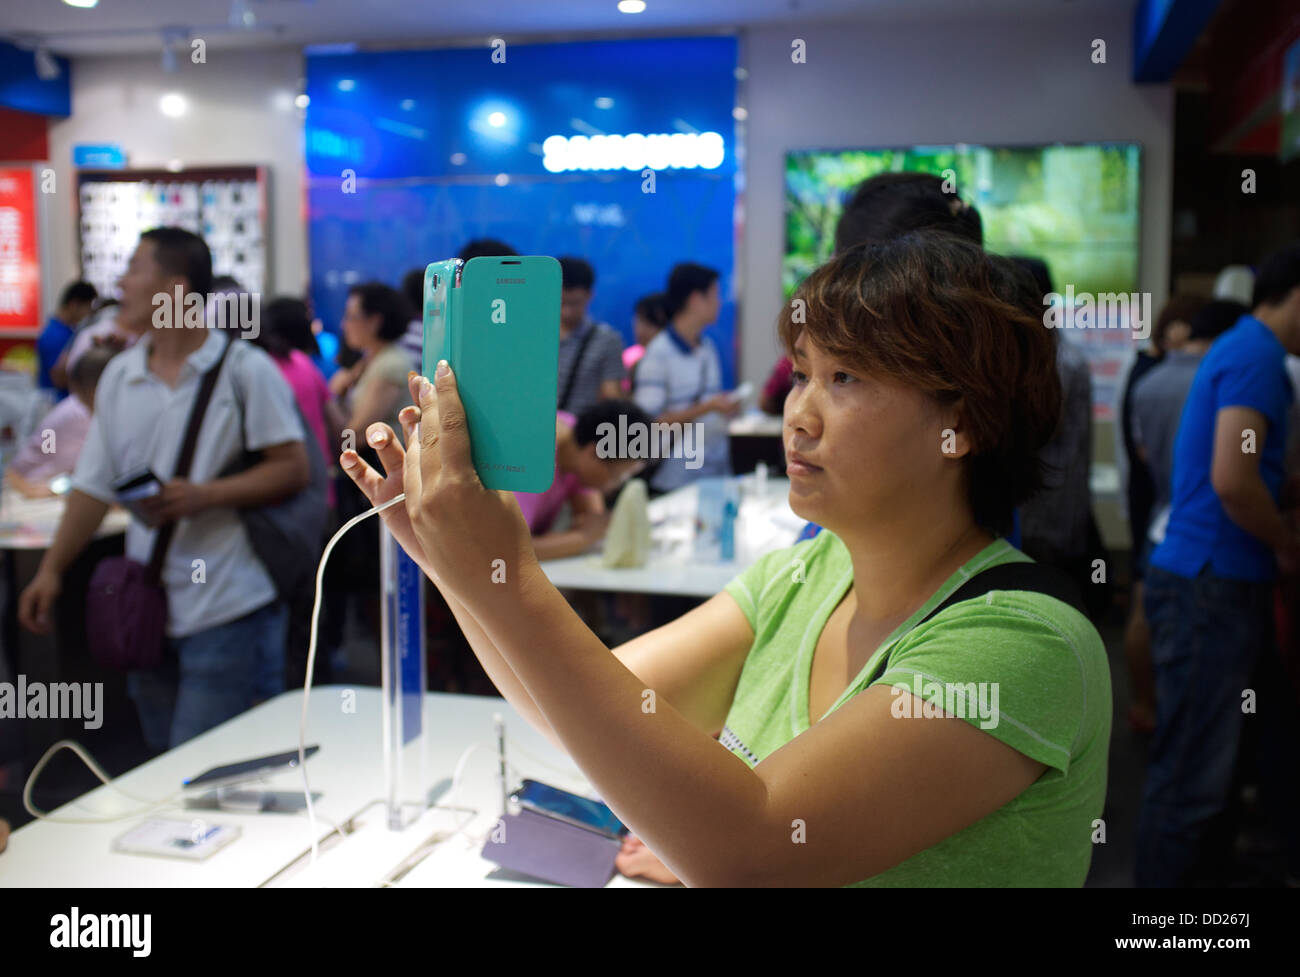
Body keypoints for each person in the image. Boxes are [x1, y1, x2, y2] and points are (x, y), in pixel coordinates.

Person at [340, 231, 1111, 886]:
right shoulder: (802, 576)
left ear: (963, 422)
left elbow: (753, 851)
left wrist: (496, 575)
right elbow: (574, 708)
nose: (797, 413)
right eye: (802, 373)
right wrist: (457, 563)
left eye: (845, 378)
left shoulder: (1021, 644)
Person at [18, 227, 309, 752]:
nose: (121, 282)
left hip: (227, 599)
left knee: (204, 766)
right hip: (146, 601)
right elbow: (91, 485)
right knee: (162, 759)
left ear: (175, 288)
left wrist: (206, 495)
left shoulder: (244, 371)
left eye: (133, 268)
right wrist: (52, 571)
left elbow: (292, 468)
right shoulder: (120, 375)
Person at [1138, 241, 1300, 887]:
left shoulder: (1245, 348)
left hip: (1216, 579)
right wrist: (1287, 541)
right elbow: (1234, 480)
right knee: (1191, 776)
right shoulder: (1257, 357)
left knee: (1234, 758)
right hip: (1213, 583)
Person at [1117, 294, 1203, 733]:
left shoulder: (1145, 373)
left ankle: (1145, 704)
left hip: (1149, 499)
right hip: (1163, 503)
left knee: (1144, 598)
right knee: (1149, 603)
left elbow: (1135, 447)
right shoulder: (1180, 377)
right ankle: (1151, 705)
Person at [1009, 257, 1097, 607]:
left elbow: (1035, 430)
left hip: (1045, 523)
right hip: (1043, 519)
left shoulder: (1054, 360)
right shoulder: (1050, 353)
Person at [632, 262, 736, 493]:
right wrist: (708, 407)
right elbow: (648, 423)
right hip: (675, 479)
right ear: (695, 299)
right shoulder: (659, 353)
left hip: (714, 472)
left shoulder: (707, 347)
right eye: (715, 295)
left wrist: (722, 406)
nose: (719, 302)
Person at [516, 399, 650, 561]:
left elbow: (591, 519)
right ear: (593, 454)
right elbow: (508, 549)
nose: (615, 485)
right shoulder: (530, 460)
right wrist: (584, 537)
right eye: (616, 476)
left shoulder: (576, 440)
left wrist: (589, 531)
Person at [6, 342, 121, 497]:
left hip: (39, 489)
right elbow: (86, 477)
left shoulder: (82, 408)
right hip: (35, 491)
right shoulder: (80, 414)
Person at [331, 282, 412, 440]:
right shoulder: (370, 358)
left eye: (350, 316)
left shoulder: (390, 365)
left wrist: (329, 403)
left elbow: (358, 435)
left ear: (374, 321)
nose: (344, 324)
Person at [555, 257, 626, 415]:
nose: (566, 311)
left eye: (574, 303)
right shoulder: (535, 336)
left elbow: (612, 396)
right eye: (561, 302)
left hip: (581, 433)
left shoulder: (608, 340)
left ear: (590, 295)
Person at [37, 281, 97, 399]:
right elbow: (59, 378)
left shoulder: (68, 331)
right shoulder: (54, 335)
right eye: (88, 306)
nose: (89, 313)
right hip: (55, 401)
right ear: (74, 304)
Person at [623, 292, 669, 392]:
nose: (641, 330)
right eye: (639, 321)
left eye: (650, 323)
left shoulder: (676, 359)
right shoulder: (629, 357)